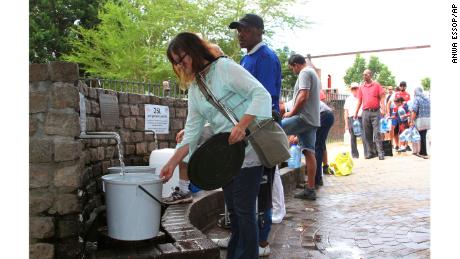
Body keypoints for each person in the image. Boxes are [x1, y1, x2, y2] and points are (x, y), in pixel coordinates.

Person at [160, 32, 272, 259]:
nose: (181, 66)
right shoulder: (196, 87)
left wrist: (243, 125)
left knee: (244, 212)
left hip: (249, 150)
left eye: (182, 59)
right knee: (235, 213)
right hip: (227, 157)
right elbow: (191, 133)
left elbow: (262, 95)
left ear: (194, 50)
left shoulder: (224, 68)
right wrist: (172, 163)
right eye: (176, 63)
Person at [227, 13, 282, 256]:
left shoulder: (265, 57)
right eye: (239, 30)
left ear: (259, 31)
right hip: (246, 127)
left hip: (260, 128)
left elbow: (265, 97)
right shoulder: (245, 58)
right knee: (250, 191)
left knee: (263, 186)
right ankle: (246, 241)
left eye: (246, 30)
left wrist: (247, 125)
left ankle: (262, 240)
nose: (241, 34)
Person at [162, 43, 224, 205]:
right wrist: (171, 163)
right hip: (218, 130)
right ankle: (184, 190)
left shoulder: (226, 73)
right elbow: (199, 118)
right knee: (186, 140)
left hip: (239, 132)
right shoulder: (197, 86)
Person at [282, 54, 321, 200]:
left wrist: (291, 113)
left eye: (292, 68)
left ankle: (268, 169)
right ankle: (310, 189)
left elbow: (303, 96)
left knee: (275, 129)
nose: (293, 71)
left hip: (303, 118)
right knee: (309, 152)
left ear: (296, 65)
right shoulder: (313, 73)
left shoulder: (304, 72)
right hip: (312, 120)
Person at [354, 69, 386, 160]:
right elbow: (359, 101)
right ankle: (370, 153)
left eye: (366, 74)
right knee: (367, 134)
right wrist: (356, 112)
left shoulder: (377, 85)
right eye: (363, 74)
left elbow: (382, 97)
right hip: (365, 113)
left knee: (377, 133)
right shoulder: (361, 87)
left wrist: (383, 109)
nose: (364, 76)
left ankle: (380, 153)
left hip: (376, 112)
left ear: (370, 75)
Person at [344, 82, 367, 158]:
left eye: (356, 88)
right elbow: (346, 111)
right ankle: (355, 155)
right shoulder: (348, 99)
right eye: (353, 89)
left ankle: (366, 153)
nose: (355, 90)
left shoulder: (362, 97)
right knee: (352, 137)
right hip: (351, 118)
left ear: (359, 89)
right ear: (351, 90)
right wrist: (346, 124)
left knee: (364, 135)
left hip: (361, 117)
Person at [315, 99, 334, 188]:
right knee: (320, 145)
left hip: (324, 115)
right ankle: (318, 178)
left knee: (317, 146)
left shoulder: (290, 108)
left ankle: (317, 180)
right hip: (327, 115)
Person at [410, 87, 430, 158]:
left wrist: (411, 121)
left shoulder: (417, 99)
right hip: (427, 120)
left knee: (420, 136)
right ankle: (423, 151)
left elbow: (414, 111)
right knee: (424, 135)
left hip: (420, 120)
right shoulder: (427, 99)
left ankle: (422, 152)